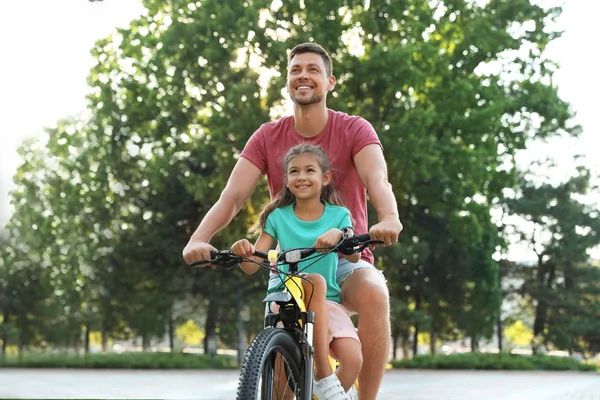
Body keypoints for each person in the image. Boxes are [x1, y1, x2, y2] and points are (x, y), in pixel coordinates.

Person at [183, 42, 403, 399]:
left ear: (330, 82)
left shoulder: (355, 129)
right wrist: (198, 239)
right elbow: (232, 197)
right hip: (291, 265)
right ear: (287, 83)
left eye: (313, 69)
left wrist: (389, 218)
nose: (303, 75)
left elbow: (377, 180)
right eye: (295, 69)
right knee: (283, 386)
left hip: (344, 259)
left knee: (375, 293)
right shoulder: (267, 136)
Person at [232, 144, 361, 399]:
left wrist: (340, 235)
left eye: (309, 170)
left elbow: (355, 255)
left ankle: (324, 387)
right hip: (287, 300)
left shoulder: (338, 215)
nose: (301, 176)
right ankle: (323, 373)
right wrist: (243, 251)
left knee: (353, 360)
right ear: (288, 181)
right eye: (294, 171)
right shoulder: (278, 217)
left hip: (328, 303)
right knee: (282, 381)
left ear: (325, 178)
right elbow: (250, 265)